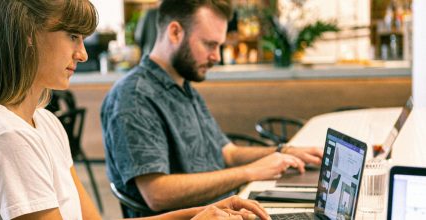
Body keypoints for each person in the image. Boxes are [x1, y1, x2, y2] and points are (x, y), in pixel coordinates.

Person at [0, 0, 269, 220]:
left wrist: (202, 212)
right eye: (73, 36)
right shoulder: (6, 138)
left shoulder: (43, 122)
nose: (81, 54)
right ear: (27, 35)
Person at [101, 0, 324, 217]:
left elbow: (228, 152)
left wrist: (283, 152)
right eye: (210, 44)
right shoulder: (133, 97)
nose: (216, 56)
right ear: (175, 32)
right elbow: (157, 194)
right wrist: (249, 171)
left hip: (227, 209)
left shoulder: (183, 86)